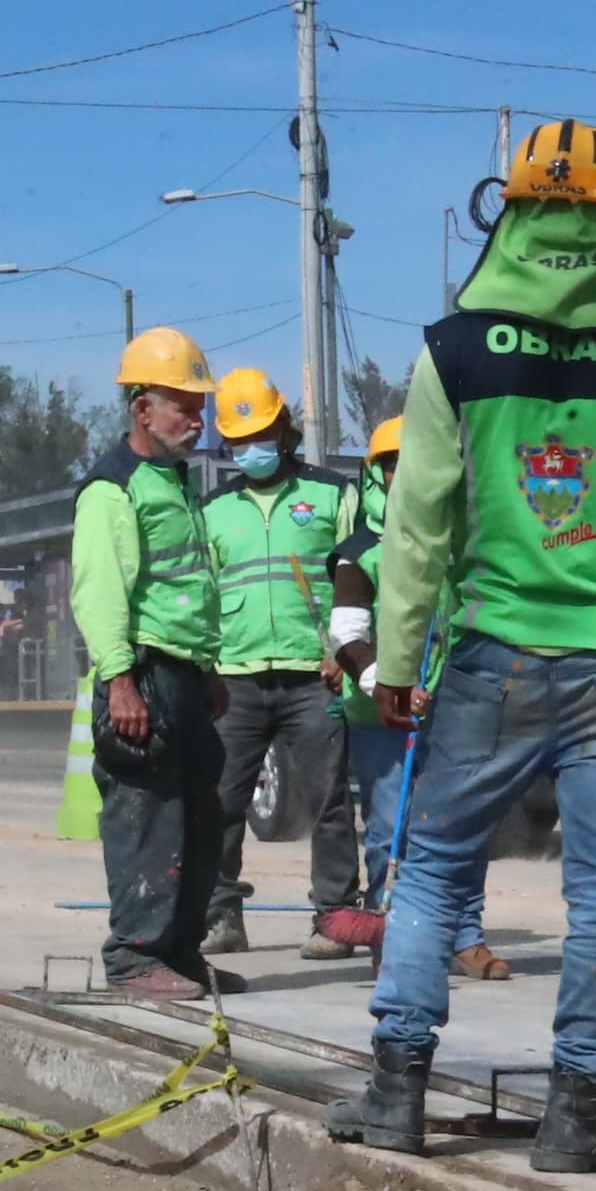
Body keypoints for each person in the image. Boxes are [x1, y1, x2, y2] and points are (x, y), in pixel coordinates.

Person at [330, 119, 596, 1172]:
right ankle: (572, 1116)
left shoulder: (452, 351)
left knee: (427, 872)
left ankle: (394, 1093)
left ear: (507, 216)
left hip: (489, 658)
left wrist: (394, 660)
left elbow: (413, 524)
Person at [69, 326, 233, 1001]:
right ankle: (135, 957)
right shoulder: (113, 489)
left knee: (198, 818)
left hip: (185, 675)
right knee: (147, 816)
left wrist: (210, 667)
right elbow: (101, 588)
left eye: (201, 407)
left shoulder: (176, 483)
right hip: (144, 674)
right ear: (141, 409)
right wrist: (120, 680)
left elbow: (190, 584)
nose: (198, 420)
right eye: (183, 406)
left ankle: (180, 953)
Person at [198, 366, 367, 959]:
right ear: (225, 444)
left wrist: (346, 654)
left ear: (285, 429)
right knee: (219, 803)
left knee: (328, 801)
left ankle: (335, 916)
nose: (253, 448)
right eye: (240, 440)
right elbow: (201, 597)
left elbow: (359, 576)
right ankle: (221, 917)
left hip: (313, 675)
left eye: (262, 433)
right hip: (235, 679)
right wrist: (206, 669)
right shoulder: (212, 510)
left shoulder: (330, 494)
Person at [329, 413, 497, 971]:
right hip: (383, 716)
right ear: (377, 473)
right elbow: (349, 637)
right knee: (391, 829)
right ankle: (394, 937)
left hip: (455, 710)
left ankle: (464, 934)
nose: (409, 474)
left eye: (420, 462)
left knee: (462, 825)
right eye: (395, 464)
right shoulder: (361, 552)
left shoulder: (461, 545)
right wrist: (390, 685)